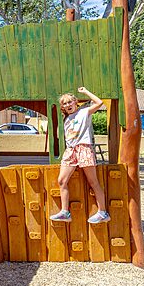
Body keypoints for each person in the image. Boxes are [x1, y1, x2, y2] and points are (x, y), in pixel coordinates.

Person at [50, 87, 110, 224]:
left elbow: (99, 102)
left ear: (75, 102)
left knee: (93, 182)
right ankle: (65, 212)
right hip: (70, 150)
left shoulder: (84, 112)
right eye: (64, 103)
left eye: (70, 102)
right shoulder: (66, 119)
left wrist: (85, 91)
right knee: (62, 181)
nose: (68, 105)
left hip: (83, 148)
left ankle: (103, 212)